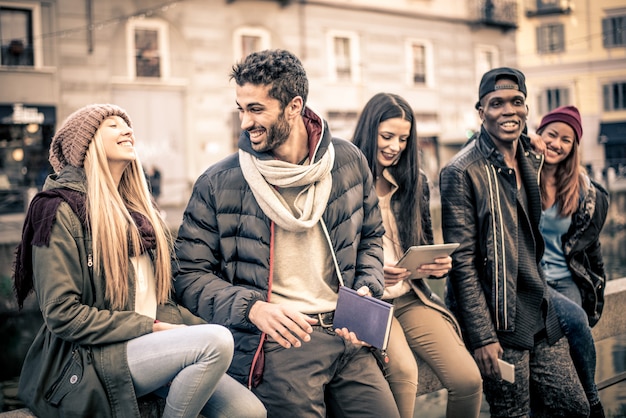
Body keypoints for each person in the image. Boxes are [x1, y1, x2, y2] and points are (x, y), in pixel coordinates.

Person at [172, 49, 400, 418]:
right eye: (240, 109)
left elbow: (372, 236)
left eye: (256, 109)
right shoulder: (218, 182)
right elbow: (187, 275)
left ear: (294, 106)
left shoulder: (348, 160)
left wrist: (366, 289)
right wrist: (253, 308)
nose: (245, 122)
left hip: (348, 336)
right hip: (279, 344)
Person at [12, 104, 266, 418]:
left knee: (248, 411)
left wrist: (199, 328)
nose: (127, 130)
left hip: (150, 348)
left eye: (127, 124)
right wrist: (151, 327)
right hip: (95, 357)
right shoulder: (57, 210)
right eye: (112, 125)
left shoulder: (139, 215)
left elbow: (160, 303)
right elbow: (63, 314)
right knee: (216, 342)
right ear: (85, 144)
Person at [439, 68, 589, 417]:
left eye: (516, 102)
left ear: (526, 108)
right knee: (513, 414)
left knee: (575, 408)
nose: (508, 110)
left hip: (538, 310)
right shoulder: (461, 171)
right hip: (499, 322)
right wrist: (481, 336)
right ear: (481, 113)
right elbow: (462, 263)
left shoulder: (532, 157)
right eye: (496, 103)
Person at [351, 92, 483, 418]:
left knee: (468, 380)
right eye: (387, 136)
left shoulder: (415, 182)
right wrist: (372, 273)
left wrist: (436, 266)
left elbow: (422, 242)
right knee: (405, 373)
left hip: (411, 298)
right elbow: (329, 256)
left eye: (403, 139)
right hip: (367, 302)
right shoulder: (346, 182)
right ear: (369, 131)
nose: (395, 146)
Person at [534, 105, 610, 418]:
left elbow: (591, 248)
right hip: (534, 280)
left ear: (574, 147)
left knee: (570, 334)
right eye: (551, 134)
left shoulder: (584, 191)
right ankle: (593, 403)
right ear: (539, 135)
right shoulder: (521, 176)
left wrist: (599, 289)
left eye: (566, 139)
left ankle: (579, 400)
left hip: (566, 279)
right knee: (574, 322)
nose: (557, 143)